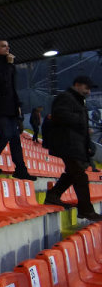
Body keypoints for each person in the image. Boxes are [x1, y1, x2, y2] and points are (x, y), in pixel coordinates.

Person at [45, 76, 99, 220]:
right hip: (67, 143)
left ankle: (53, 195)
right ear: (77, 85)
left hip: (75, 144)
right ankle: (86, 210)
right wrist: (81, 121)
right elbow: (59, 115)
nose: (88, 92)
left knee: (72, 173)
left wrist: (88, 145)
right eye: (86, 88)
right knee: (80, 176)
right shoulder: (66, 97)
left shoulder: (78, 101)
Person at [0, 40, 36, 180]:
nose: (7, 48)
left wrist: (18, 107)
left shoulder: (9, 66)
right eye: (3, 46)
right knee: (6, 134)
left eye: (8, 45)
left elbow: (13, 88)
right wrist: (9, 65)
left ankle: (21, 170)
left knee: (15, 139)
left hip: (11, 107)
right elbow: (2, 83)